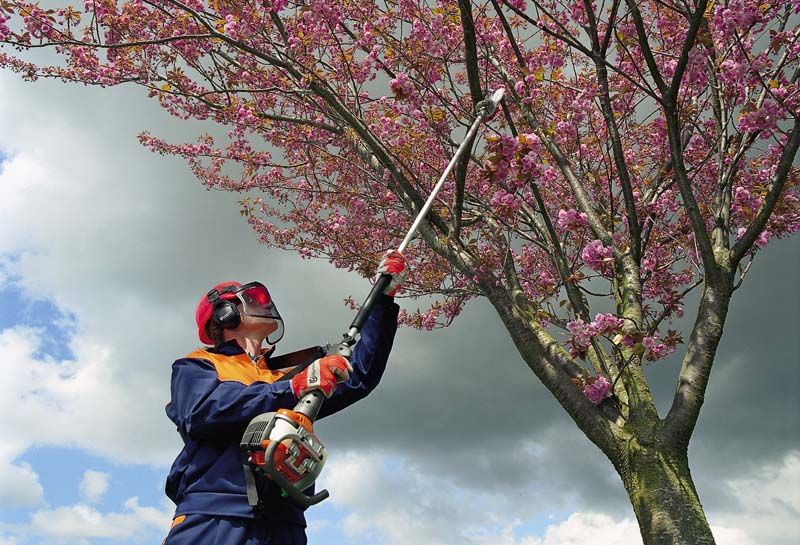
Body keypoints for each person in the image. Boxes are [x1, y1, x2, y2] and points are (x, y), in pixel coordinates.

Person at [162, 250, 406, 545]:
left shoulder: (284, 377)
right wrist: (293, 388)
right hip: (215, 513)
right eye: (251, 301)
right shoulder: (198, 365)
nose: (264, 305)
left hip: (284, 521)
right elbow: (202, 412)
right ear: (224, 315)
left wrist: (384, 299)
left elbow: (359, 377)